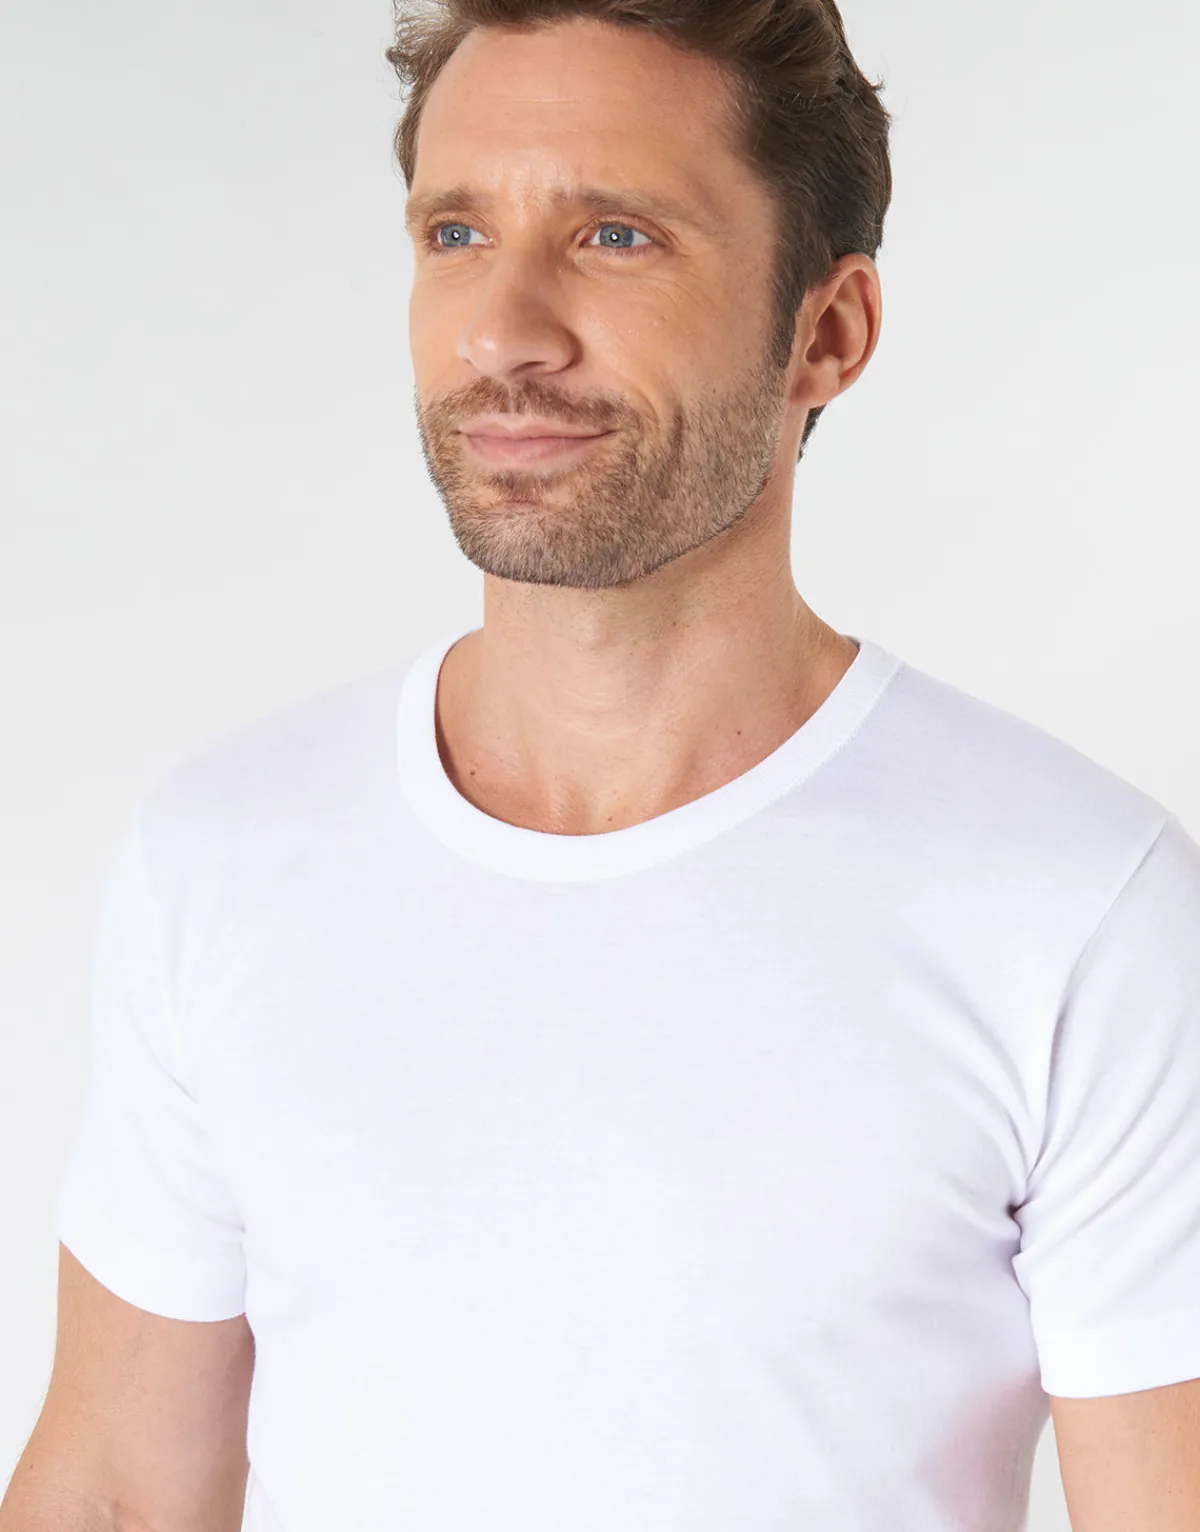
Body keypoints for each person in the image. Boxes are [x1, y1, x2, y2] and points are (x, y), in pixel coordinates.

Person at [4, 3, 1199, 1530]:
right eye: (456, 232)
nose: (503, 331)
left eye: (616, 236)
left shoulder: (1077, 907)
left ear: (827, 332)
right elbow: (115, 1494)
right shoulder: (223, 857)